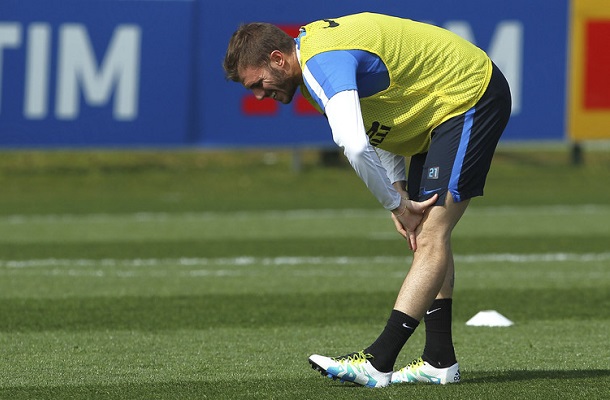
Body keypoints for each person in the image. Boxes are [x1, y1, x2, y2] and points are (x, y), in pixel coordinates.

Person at [223, 12, 511, 388]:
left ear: (278, 59)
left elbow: (355, 145)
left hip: (468, 95)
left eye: (257, 83)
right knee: (426, 232)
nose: (260, 95)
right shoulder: (312, 60)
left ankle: (378, 362)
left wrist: (396, 205)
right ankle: (439, 361)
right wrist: (398, 188)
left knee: (430, 234)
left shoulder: (321, 63)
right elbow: (378, 123)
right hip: (434, 109)